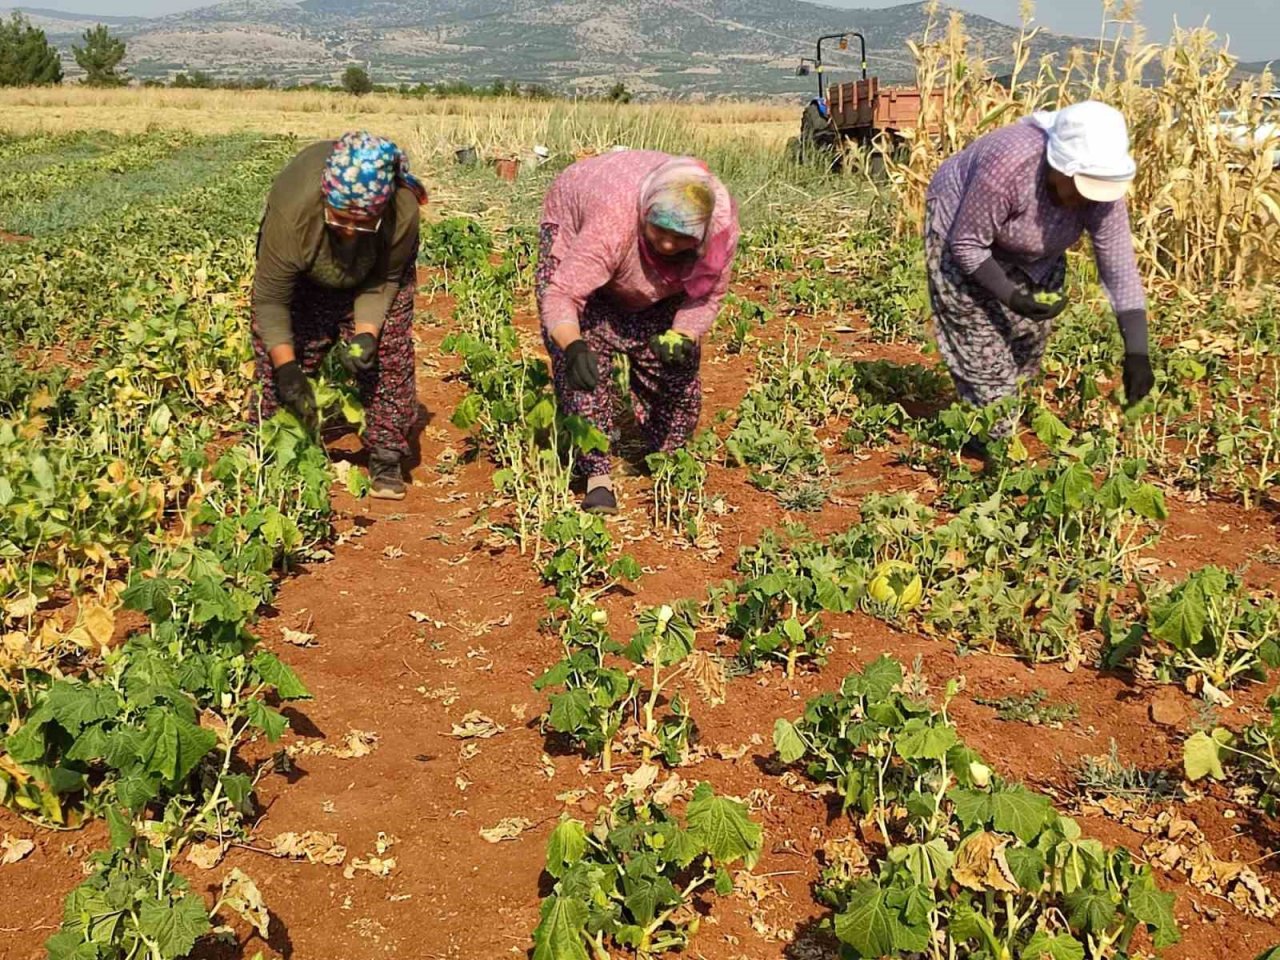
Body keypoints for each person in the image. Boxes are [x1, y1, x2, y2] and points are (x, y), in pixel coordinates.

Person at [924, 100, 1155, 439]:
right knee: (987, 366)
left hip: (1036, 255)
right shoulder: (1009, 165)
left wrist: (1137, 353)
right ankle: (991, 436)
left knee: (1026, 347)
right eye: (1081, 185)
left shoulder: (1102, 192)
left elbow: (1119, 269)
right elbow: (967, 244)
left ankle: (999, 408)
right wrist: (1011, 296)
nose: (1087, 199)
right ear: (1058, 164)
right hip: (961, 230)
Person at [537, 151, 739, 514]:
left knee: (675, 368)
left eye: (681, 237)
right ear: (645, 214)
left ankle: (666, 458)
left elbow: (707, 297)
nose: (667, 244)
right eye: (659, 230)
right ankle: (597, 476)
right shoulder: (613, 224)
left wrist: (684, 334)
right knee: (583, 371)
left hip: (633, 250)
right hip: (585, 219)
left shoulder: (717, 233)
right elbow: (562, 294)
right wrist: (574, 346)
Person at [251, 131, 428, 500]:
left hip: (374, 276)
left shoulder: (402, 210)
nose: (349, 231)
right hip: (305, 276)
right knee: (284, 363)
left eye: (362, 223)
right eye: (341, 219)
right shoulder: (293, 210)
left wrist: (366, 333)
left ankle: (385, 455)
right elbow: (271, 300)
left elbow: (385, 279)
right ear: (325, 200)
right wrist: (286, 367)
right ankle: (274, 447)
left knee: (388, 357)